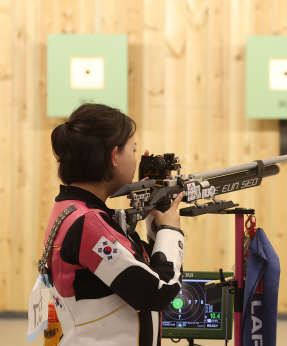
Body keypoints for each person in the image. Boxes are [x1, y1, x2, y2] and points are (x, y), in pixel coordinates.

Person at [41, 103, 185, 346]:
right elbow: (157, 291)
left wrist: (152, 218)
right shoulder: (89, 223)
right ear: (112, 157)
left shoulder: (74, 209)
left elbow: (137, 272)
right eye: (133, 150)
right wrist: (171, 231)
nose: (135, 158)